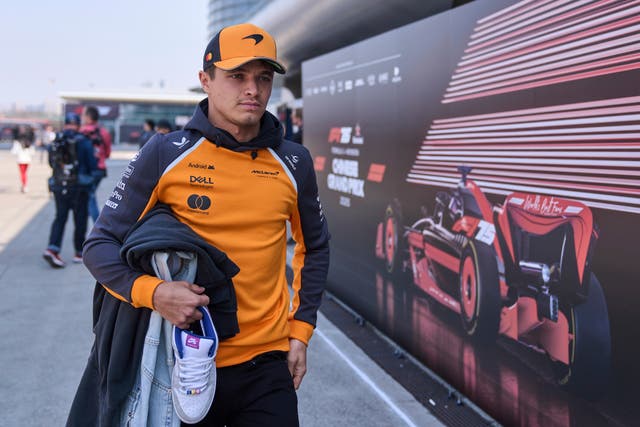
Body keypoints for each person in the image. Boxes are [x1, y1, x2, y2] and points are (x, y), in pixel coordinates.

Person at [68, 23, 330, 426]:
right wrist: (154, 293)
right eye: (237, 76)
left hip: (267, 365)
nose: (253, 90)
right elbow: (99, 245)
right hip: (181, 363)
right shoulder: (165, 153)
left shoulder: (294, 162)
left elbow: (316, 247)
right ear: (205, 81)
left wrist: (301, 332)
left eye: (263, 78)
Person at [42, 113, 97, 268]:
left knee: (60, 217)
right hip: (79, 187)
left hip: (60, 186)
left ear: (65, 125)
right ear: (78, 125)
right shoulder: (84, 141)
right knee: (80, 219)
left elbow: (52, 164)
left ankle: (53, 248)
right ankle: (79, 252)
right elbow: (92, 164)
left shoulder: (57, 141)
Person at [80, 105, 112, 222]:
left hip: (87, 171)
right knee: (89, 195)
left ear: (88, 117)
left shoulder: (82, 132)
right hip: (100, 169)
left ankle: (98, 228)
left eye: (83, 115)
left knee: (90, 197)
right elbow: (108, 154)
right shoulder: (104, 132)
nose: (81, 117)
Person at [10, 125, 36, 193]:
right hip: (27, 159)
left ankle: (24, 185)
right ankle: (24, 185)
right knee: (25, 173)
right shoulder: (29, 142)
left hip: (20, 159)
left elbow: (14, 152)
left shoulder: (17, 142)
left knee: (22, 173)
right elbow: (33, 152)